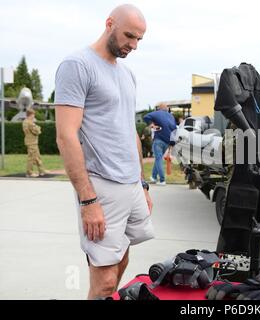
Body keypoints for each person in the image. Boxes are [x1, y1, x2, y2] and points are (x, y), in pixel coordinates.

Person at [54, 4, 154, 299]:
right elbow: (65, 135)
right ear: (109, 23)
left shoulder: (127, 75)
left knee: (122, 259)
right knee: (105, 281)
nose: (133, 45)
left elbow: (129, 131)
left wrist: (142, 183)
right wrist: (88, 200)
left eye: (139, 40)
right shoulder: (77, 65)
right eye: (129, 36)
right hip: (101, 184)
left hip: (131, 184)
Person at [143, 103, 177, 186]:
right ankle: (154, 177)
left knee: (158, 159)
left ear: (159, 108)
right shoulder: (171, 116)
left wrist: (151, 125)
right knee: (158, 159)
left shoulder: (157, 113)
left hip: (158, 140)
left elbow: (146, 117)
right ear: (167, 109)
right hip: (167, 142)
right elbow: (174, 129)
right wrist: (172, 143)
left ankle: (162, 180)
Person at [22, 108, 48, 178]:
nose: (34, 116)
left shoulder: (25, 121)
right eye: (33, 115)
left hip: (30, 141)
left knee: (37, 157)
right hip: (32, 142)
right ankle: (29, 173)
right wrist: (38, 127)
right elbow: (37, 131)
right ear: (31, 114)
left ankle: (41, 171)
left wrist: (37, 127)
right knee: (31, 158)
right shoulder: (30, 123)